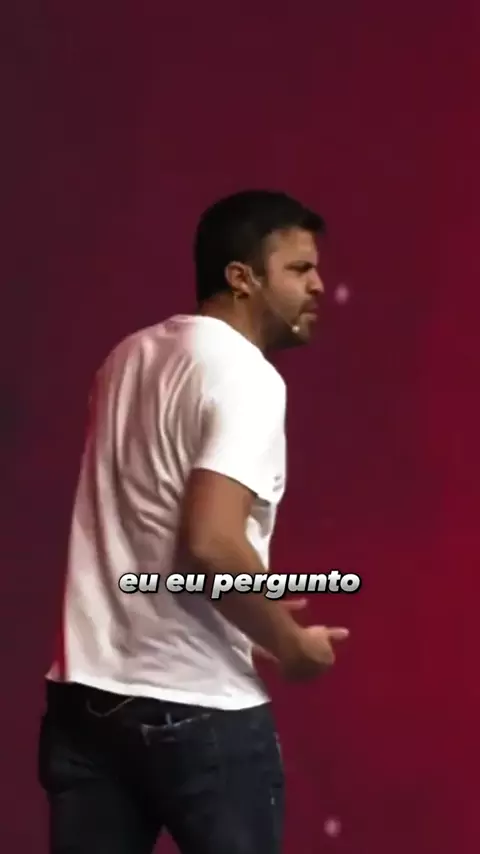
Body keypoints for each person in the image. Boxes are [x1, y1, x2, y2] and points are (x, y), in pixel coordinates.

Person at [38, 189, 349, 854]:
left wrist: (256, 604)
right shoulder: (247, 376)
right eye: (299, 269)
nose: (319, 286)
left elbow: (149, 525)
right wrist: (290, 644)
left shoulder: (127, 358)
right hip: (198, 708)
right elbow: (210, 542)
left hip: (86, 702)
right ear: (242, 277)